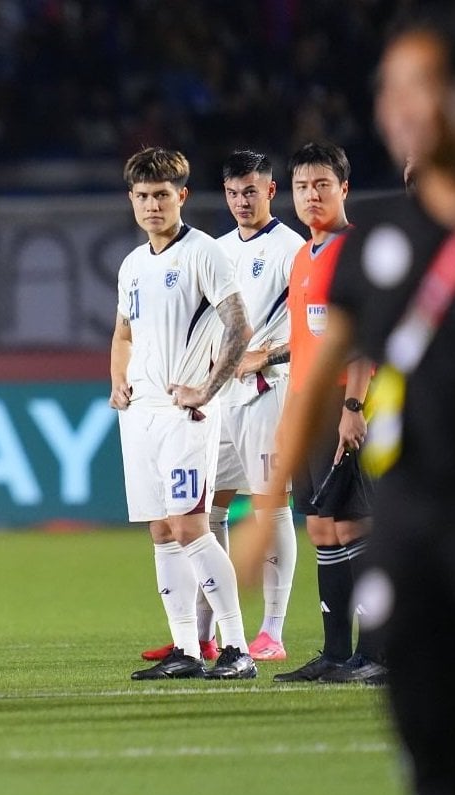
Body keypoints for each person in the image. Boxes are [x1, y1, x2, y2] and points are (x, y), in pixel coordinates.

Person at [248, 16, 455, 795]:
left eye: (421, 85)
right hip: (415, 514)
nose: (400, 105)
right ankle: (346, 650)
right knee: (425, 729)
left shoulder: (362, 239)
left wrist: (354, 404)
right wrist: (265, 498)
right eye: (388, 88)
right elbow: (331, 350)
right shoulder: (373, 247)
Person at [141, 151, 304, 665]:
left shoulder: (291, 249)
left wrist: (267, 355)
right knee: (206, 513)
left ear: (271, 191)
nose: (241, 202)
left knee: (269, 505)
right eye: (233, 193)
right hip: (216, 398)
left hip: (267, 392)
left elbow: (316, 329)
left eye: (251, 191)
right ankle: (202, 634)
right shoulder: (215, 249)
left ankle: (271, 630)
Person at [108, 147, 256, 682]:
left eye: (162, 196)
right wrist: (117, 379)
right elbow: (124, 332)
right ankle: (185, 649)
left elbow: (240, 327)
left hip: (183, 414)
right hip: (141, 414)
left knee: (191, 525)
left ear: (182, 197)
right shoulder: (131, 264)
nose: (152, 206)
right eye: (143, 196)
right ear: (131, 199)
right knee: (161, 531)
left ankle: (237, 648)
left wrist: (208, 390)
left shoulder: (203, 254)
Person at [269, 142, 383, 685]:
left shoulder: (354, 250)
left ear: (344, 188)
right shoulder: (304, 252)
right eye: (301, 186)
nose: (311, 195)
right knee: (321, 527)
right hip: (307, 404)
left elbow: (364, 338)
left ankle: (379, 655)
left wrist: (354, 407)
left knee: (356, 524)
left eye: (322, 185)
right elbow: (305, 340)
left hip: (346, 401)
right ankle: (337, 655)